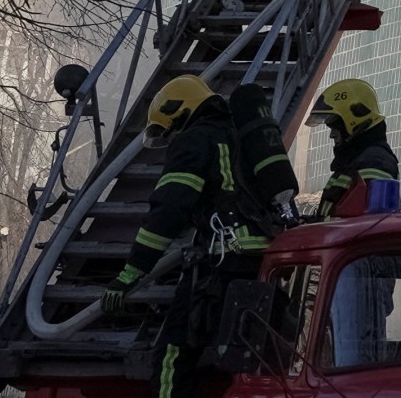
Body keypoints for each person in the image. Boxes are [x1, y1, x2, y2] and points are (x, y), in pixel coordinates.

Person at [101, 76, 291, 398]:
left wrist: (131, 273)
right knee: (255, 360)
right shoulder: (241, 135)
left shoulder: (196, 139)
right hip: (264, 263)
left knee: (172, 356)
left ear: (180, 112)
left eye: (170, 130)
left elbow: (169, 209)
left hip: (223, 266)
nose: (172, 138)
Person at [310, 77, 400, 219]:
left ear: (353, 121)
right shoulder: (353, 162)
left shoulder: (375, 163)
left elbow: (364, 224)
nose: (332, 135)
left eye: (336, 127)